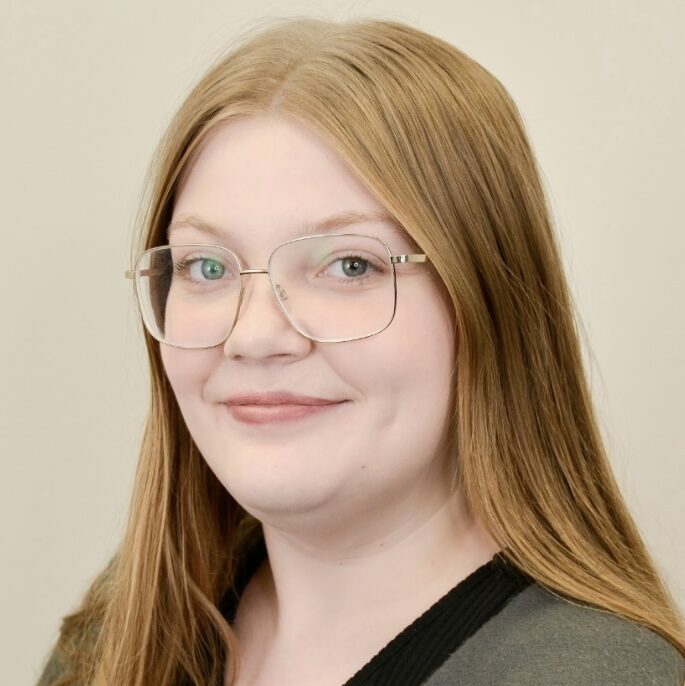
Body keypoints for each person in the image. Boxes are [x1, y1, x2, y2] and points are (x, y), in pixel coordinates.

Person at [36, 16, 685, 686]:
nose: (253, 336)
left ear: (486, 302)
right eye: (207, 267)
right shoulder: (126, 627)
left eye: (350, 265)